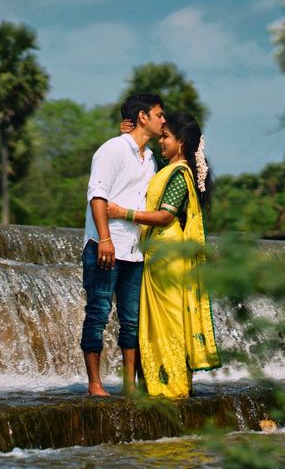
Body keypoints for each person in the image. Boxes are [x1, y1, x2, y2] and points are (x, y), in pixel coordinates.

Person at [106, 112, 221, 398]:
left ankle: (172, 387)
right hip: (160, 254)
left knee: (169, 322)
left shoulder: (180, 175)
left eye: (166, 137)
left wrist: (123, 213)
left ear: (181, 143)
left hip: (168, 256)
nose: (162, 142)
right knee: (158, 321)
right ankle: (162, 384)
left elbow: (165, 215)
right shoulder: (168, 169)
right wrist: (130, 137)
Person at [80, 93, 165, 397]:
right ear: (143, 117)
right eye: (159, 114)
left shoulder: (151, 158)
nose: (163, 120)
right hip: (106, 246)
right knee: (98, 313)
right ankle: (95, 384)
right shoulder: (112, 149)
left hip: (135, 250)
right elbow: (97, 196)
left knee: (131, 320)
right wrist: (104, 239)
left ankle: (130, 386)